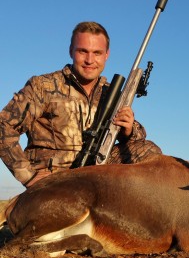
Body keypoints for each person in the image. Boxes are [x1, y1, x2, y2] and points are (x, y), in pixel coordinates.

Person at [0, 21, 162, 188]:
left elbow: (139, 135)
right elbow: (3, 125)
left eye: (97, 53)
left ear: (107, 54)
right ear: (71, 51)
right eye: (82, 51)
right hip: (55, 177)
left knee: (149, 152)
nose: (89, 60)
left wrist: (128, 130)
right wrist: (29, 176)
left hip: (97, 169)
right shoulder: (42, 86)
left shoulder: (110, 93)